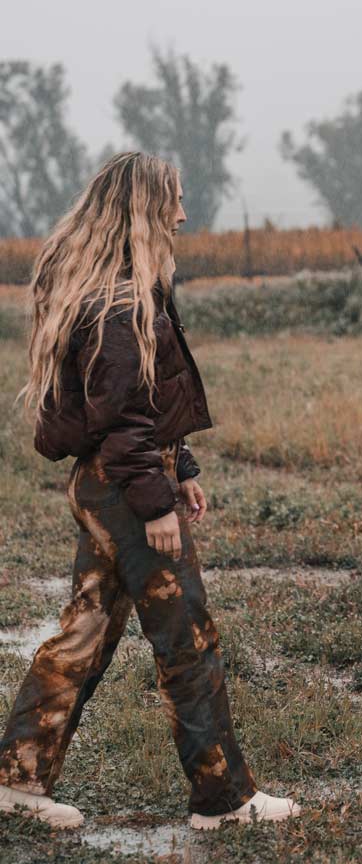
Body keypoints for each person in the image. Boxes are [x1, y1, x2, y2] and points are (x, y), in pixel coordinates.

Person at [0, 152, 299, 830]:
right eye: (175, 200)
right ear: (142, 206)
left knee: (85, 633)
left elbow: (142, 401)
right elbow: (119, 417)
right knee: (186, 639)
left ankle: (18, 780)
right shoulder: (120, 300)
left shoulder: (114, 288)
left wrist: (181, 466)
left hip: (114, 481)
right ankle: (223, 800)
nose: (184, 214)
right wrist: (156, 501)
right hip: (124, 486)